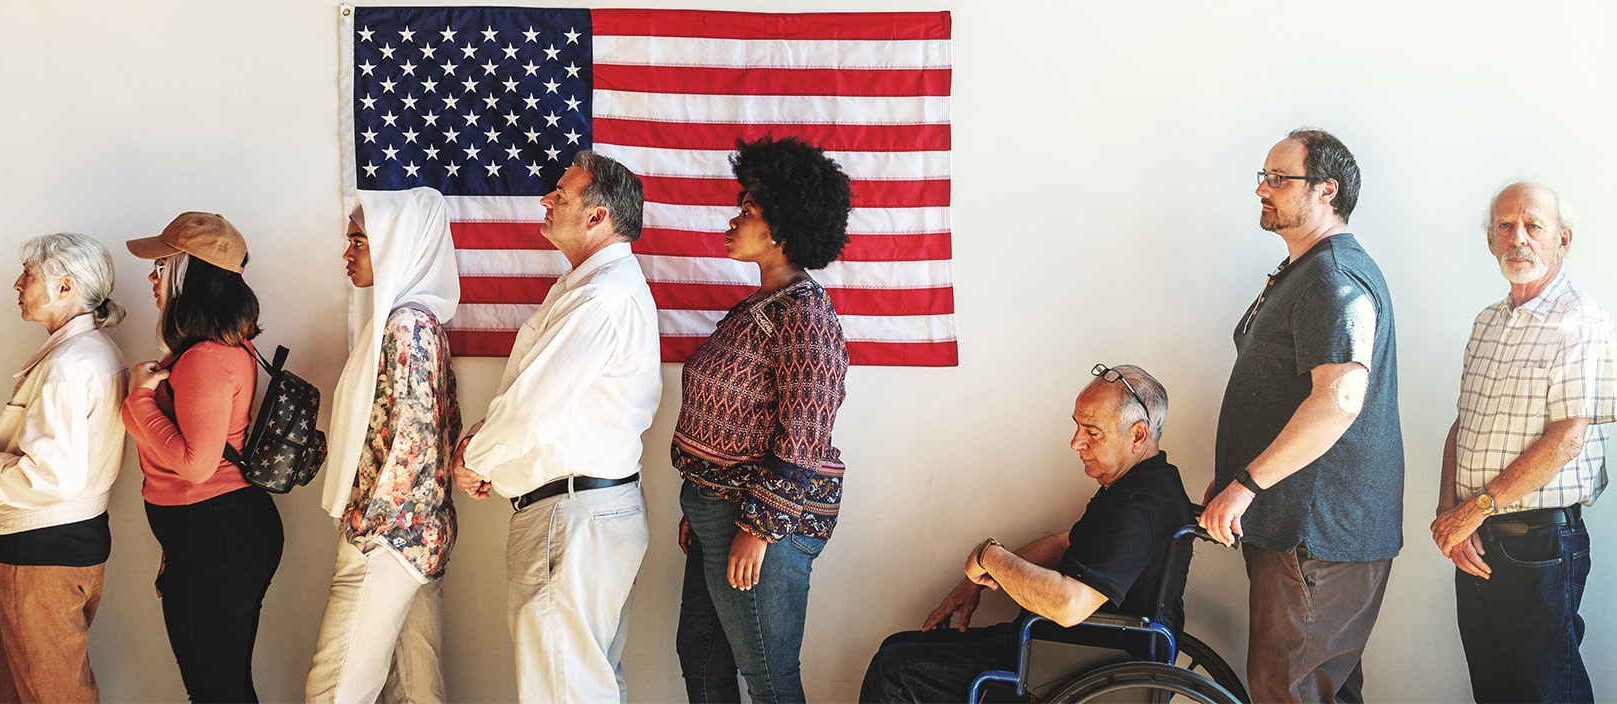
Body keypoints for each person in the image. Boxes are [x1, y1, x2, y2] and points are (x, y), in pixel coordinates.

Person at [1199, 127, 1402, 703]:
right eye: (1262, 176)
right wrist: (1243, 474)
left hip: (1315, 534)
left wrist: (1246, 483)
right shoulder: (1307, 270)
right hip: (1298, 526)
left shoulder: (1332, 277)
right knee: (1320, 693)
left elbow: (1338, 400)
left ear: (1326, 190)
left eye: (1279, 178)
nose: (1263, 188)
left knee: (1287, 692)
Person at [453, 151, 660, 703]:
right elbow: (542, 399)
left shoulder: (599, 297)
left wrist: (476, 460)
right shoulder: (589, 288)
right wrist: (486, 447)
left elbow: (530, 412)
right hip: (584, 514)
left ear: (598, 218)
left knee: (563, 692)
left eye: (561, 196)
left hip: (572, 519)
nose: (546, 199)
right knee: (584, 686)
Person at [861, 365, 1195, 703]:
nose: (1075, 442)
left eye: (1091, 431)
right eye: (1077, 426)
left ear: (1138, 435)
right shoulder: (1142, 485)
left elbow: (1069, 606)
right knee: (896, 648)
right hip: (1060, 649)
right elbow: (1066, 543)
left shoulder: (1141, 508)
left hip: (1076, 666)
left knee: (894, 671)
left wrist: (989, 555)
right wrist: (978, 578)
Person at [670, 136, 853, 704]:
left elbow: (803, 434)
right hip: (717, 513)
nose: (733, 218)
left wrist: (756, 529)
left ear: (781, 230)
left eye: (747, 210)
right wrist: (702, 502)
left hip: (759, 521)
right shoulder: (758, 308)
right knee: (701, 659)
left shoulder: (805, 315)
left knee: (769, 677)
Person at [1431, 182, 1617, 702]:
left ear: (1563, 240)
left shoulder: (1579, 320)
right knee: (1493, 693)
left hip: (1538, 546)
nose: (1519, 238)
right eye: (1505, 227)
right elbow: (1461, 424)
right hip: (1474, 541)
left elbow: (1567, 440)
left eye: (1533, 226)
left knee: (1546, 695)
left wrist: (1474, 510)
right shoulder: (1487, 322)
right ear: (1490, 241)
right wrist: (1451, 514)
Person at [305, 188, 461, 703]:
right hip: (417, 536)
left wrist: (365, 528)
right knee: (414, 689)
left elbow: (410, 442)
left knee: (337, 687)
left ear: (395, 246)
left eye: (359, 242)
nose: (346, 255)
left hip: (387, 538)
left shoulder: (406, 327)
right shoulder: (422, 325)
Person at [120, 212, 280, 703]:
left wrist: (138, 399)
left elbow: (195, 465)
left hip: (217, 536)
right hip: (209, 537)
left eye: (164, 264)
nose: (152, 276)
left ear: (190, 274)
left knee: (216, 693)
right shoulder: (217, 350)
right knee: (220, 689)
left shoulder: (207, 358)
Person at [0, 233, 129, 702]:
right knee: (25, 683)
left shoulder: (67, 364)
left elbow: (52, 476)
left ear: (65, 288)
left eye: (29, 274)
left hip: (42, 551)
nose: (17, 283)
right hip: (71, 540)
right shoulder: (96, 352)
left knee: (49, 693)